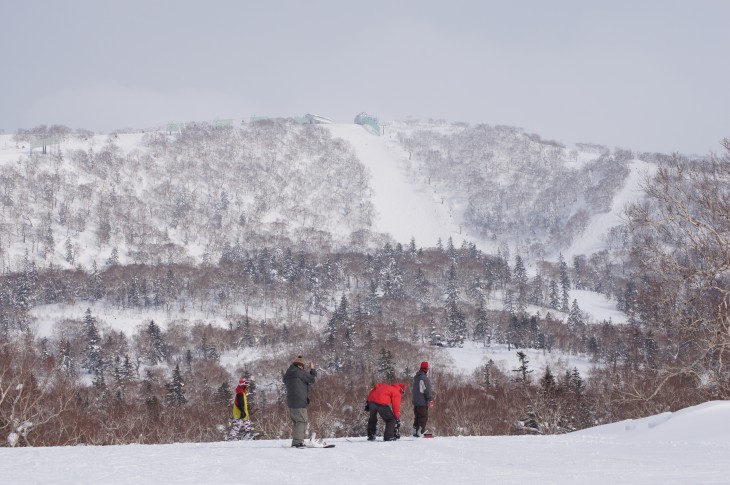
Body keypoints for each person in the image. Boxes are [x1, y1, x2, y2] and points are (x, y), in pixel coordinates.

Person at [283, 356, 317, 448]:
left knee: (297, 422)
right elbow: (312, 379)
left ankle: (298, 441)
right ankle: (297, 442)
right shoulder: (300, 373)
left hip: (291, 402)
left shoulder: (288, 374)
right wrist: (312, 369)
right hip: (300, 402)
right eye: (303, 366)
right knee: (302, 421)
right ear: (300, 366)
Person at [412, 361, 434, 437]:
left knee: (417, 416)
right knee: (423, 417)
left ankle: (415, 431)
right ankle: (420, 432)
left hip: (416, 402)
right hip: (422, 402)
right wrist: (430, 399)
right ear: (426, 369)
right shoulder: (424, 378)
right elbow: (426, 389)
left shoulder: (416, 377)